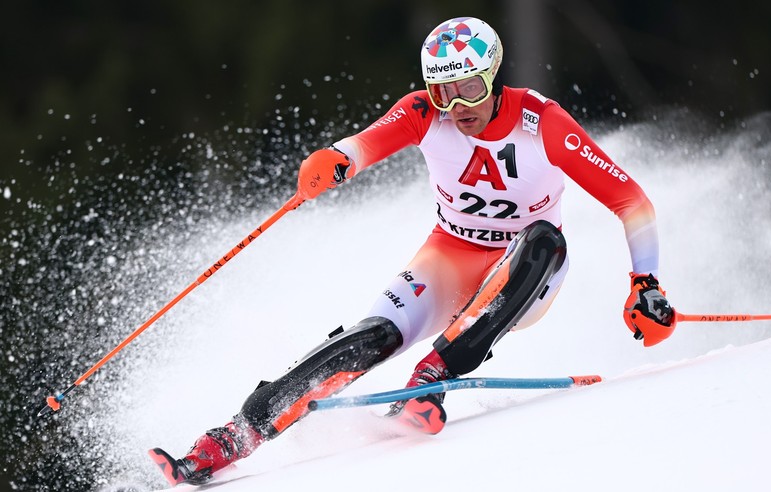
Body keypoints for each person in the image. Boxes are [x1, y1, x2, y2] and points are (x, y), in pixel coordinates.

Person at [149, 16, 676, 486]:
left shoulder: (542, 122)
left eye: (469, 88)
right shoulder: (426, 112)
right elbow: (362, 146)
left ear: (493, 78)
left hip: (525, 274)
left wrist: (645, 283)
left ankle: (432, 379)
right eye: (444, 91)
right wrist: (333, 161)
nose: (459, 107)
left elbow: (631, 200)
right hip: (450, 255)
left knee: (544, 239)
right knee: (369, 337)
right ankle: (231, 438)